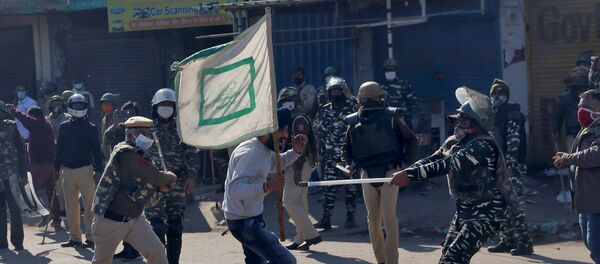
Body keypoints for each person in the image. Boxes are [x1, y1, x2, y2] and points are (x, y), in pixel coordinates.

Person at [389, 87, 520, 264]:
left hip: (488, 211)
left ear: (476, 124)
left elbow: (450, 164)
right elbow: (432, 159)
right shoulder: (454, 142)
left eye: (463, 121)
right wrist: (407, 171)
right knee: (447, 258)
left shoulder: (483, 146)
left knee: (453, 259)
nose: (457, 125)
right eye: (457, 120)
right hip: (464, 209)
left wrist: (410, 176)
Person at [342, 81, 419, 264]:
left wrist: (406, 168)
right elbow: (346, 147)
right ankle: (381, 261)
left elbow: (411, 141)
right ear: (379, 97)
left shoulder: (391, 117)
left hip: (389, 173)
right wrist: (346, 163)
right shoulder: (354, 121)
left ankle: (391, 261)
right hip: (368, 174)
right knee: (374, 220)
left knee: (387, 218)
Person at [223, 107, 305, 264]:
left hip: (251, 218)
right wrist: (266, 186)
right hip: (244, 223)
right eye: (283, 130)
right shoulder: (251, 153)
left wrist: (295, 152)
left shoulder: (264, 149)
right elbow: (234, 190)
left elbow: (276, 163)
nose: (286, 136)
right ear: (269, 130)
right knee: (287, 261)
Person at [91, 116, 177, 264]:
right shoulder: (126, 153)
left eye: (149, 133)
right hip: (111, 221)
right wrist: (169, 177)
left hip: (135, 219)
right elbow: (154, 176)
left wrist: (161, 188)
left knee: (157, 251)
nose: (148, 136)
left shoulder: (140, 154)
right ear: (131, 135)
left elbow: (148, 188)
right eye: (143, 132)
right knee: (101, 261)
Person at [143, 88, 199, 264]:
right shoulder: (147, 129)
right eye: (162, 105)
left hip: (178, 184)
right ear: (155, 107)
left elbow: (192, 154)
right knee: (157, 226)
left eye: (169, 104)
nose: (165, 107)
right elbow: (138, 155)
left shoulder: (182, 129)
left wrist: (192, 176)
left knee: (175, 227)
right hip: (155, 185)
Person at [553, 89, 600, 264]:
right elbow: (582, 156)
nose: (581, 111)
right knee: (591, 244)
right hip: (586, 199)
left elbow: (596, 155)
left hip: (597, 200)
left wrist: (569, 158)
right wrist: (567, 160)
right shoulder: (586, 128)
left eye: (586, 107)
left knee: (597, 246)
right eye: (579, 107)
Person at [487, 79, 534, 255]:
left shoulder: (512, 113)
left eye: (501, 94)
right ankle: (506, 240)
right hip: (498, 167)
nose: (497, 97)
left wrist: (511, 163)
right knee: (500, 205)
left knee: (514, 205)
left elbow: (513, 141)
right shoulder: (494, 114)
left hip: (511, 167)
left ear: (507, 95)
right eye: (494, 94)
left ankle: (525, 243)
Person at [55, 94, 104, 248]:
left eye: (80, 106)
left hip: (85, 170)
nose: (77, 108)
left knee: (89, 206)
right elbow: (59, 150)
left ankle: (90, 238)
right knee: (70, 206)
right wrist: (56, 169)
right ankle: (75, 238)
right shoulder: (64, 127)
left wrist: (98, 171)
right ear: (69, 107)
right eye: (75, 106)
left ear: (85, 107)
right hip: (67, 171)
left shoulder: (91, 128)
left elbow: (97, 151)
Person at [277, 87, 322, 251]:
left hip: (300, 165)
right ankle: (300, 238)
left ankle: (311, 235)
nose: (286, 105)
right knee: (300, 202)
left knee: (288, 201)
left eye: (288, 101)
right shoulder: (291, 119)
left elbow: (302, 146)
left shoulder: (299, 120)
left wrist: (296, 171)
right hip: (293, 163)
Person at [313, 77, 359, 230]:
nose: (336, 93)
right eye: (333, 91)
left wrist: (349, 94)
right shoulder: (325, 109)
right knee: (328, 187)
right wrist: (319, 129)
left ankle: (350, 217)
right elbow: (316, 125)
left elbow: (360, 108)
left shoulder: (352, 105)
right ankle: (326, 218)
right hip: (330, 156)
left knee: (350, 187)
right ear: (329, 93)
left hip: (346, 156)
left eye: (339, 91)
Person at [7, 104, 62, 229]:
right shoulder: (46, 125)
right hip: (50, 165)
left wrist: (13, 111)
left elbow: (27, 120)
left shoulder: (38, 124)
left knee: (29, 191)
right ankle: (57, 220)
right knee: (51, 192)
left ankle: (44, 213)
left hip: (40, 165)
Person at [0, 100, 26, 251]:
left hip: (13, 175)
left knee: (15, 209)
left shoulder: (12, 126)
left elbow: (22, 151)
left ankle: (18, 242)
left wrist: (23, 174)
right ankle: (1, 244)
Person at [555, 66, 590, 151]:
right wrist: (556, 132)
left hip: (590, 134)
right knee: (575, 159)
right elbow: (558, 118)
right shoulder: (564, 99)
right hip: (572, 135)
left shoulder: (592, 96)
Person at [380, 58, 417, 129]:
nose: (389, 73)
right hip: (386, 119)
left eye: (392, 71)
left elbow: (412, 102)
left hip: (402, 117)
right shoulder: (381, 87)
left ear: (396, 72)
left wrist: (407, 115)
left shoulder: (404, 85)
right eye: (387, 71)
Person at [100, 93, 119, 159]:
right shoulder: (104, 119)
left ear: (113, 104)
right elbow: (103, 136)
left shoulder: (118, 118)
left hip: (116, 154)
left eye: (108, 103)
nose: (105, 105)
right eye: (103, 103)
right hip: (106, 155)